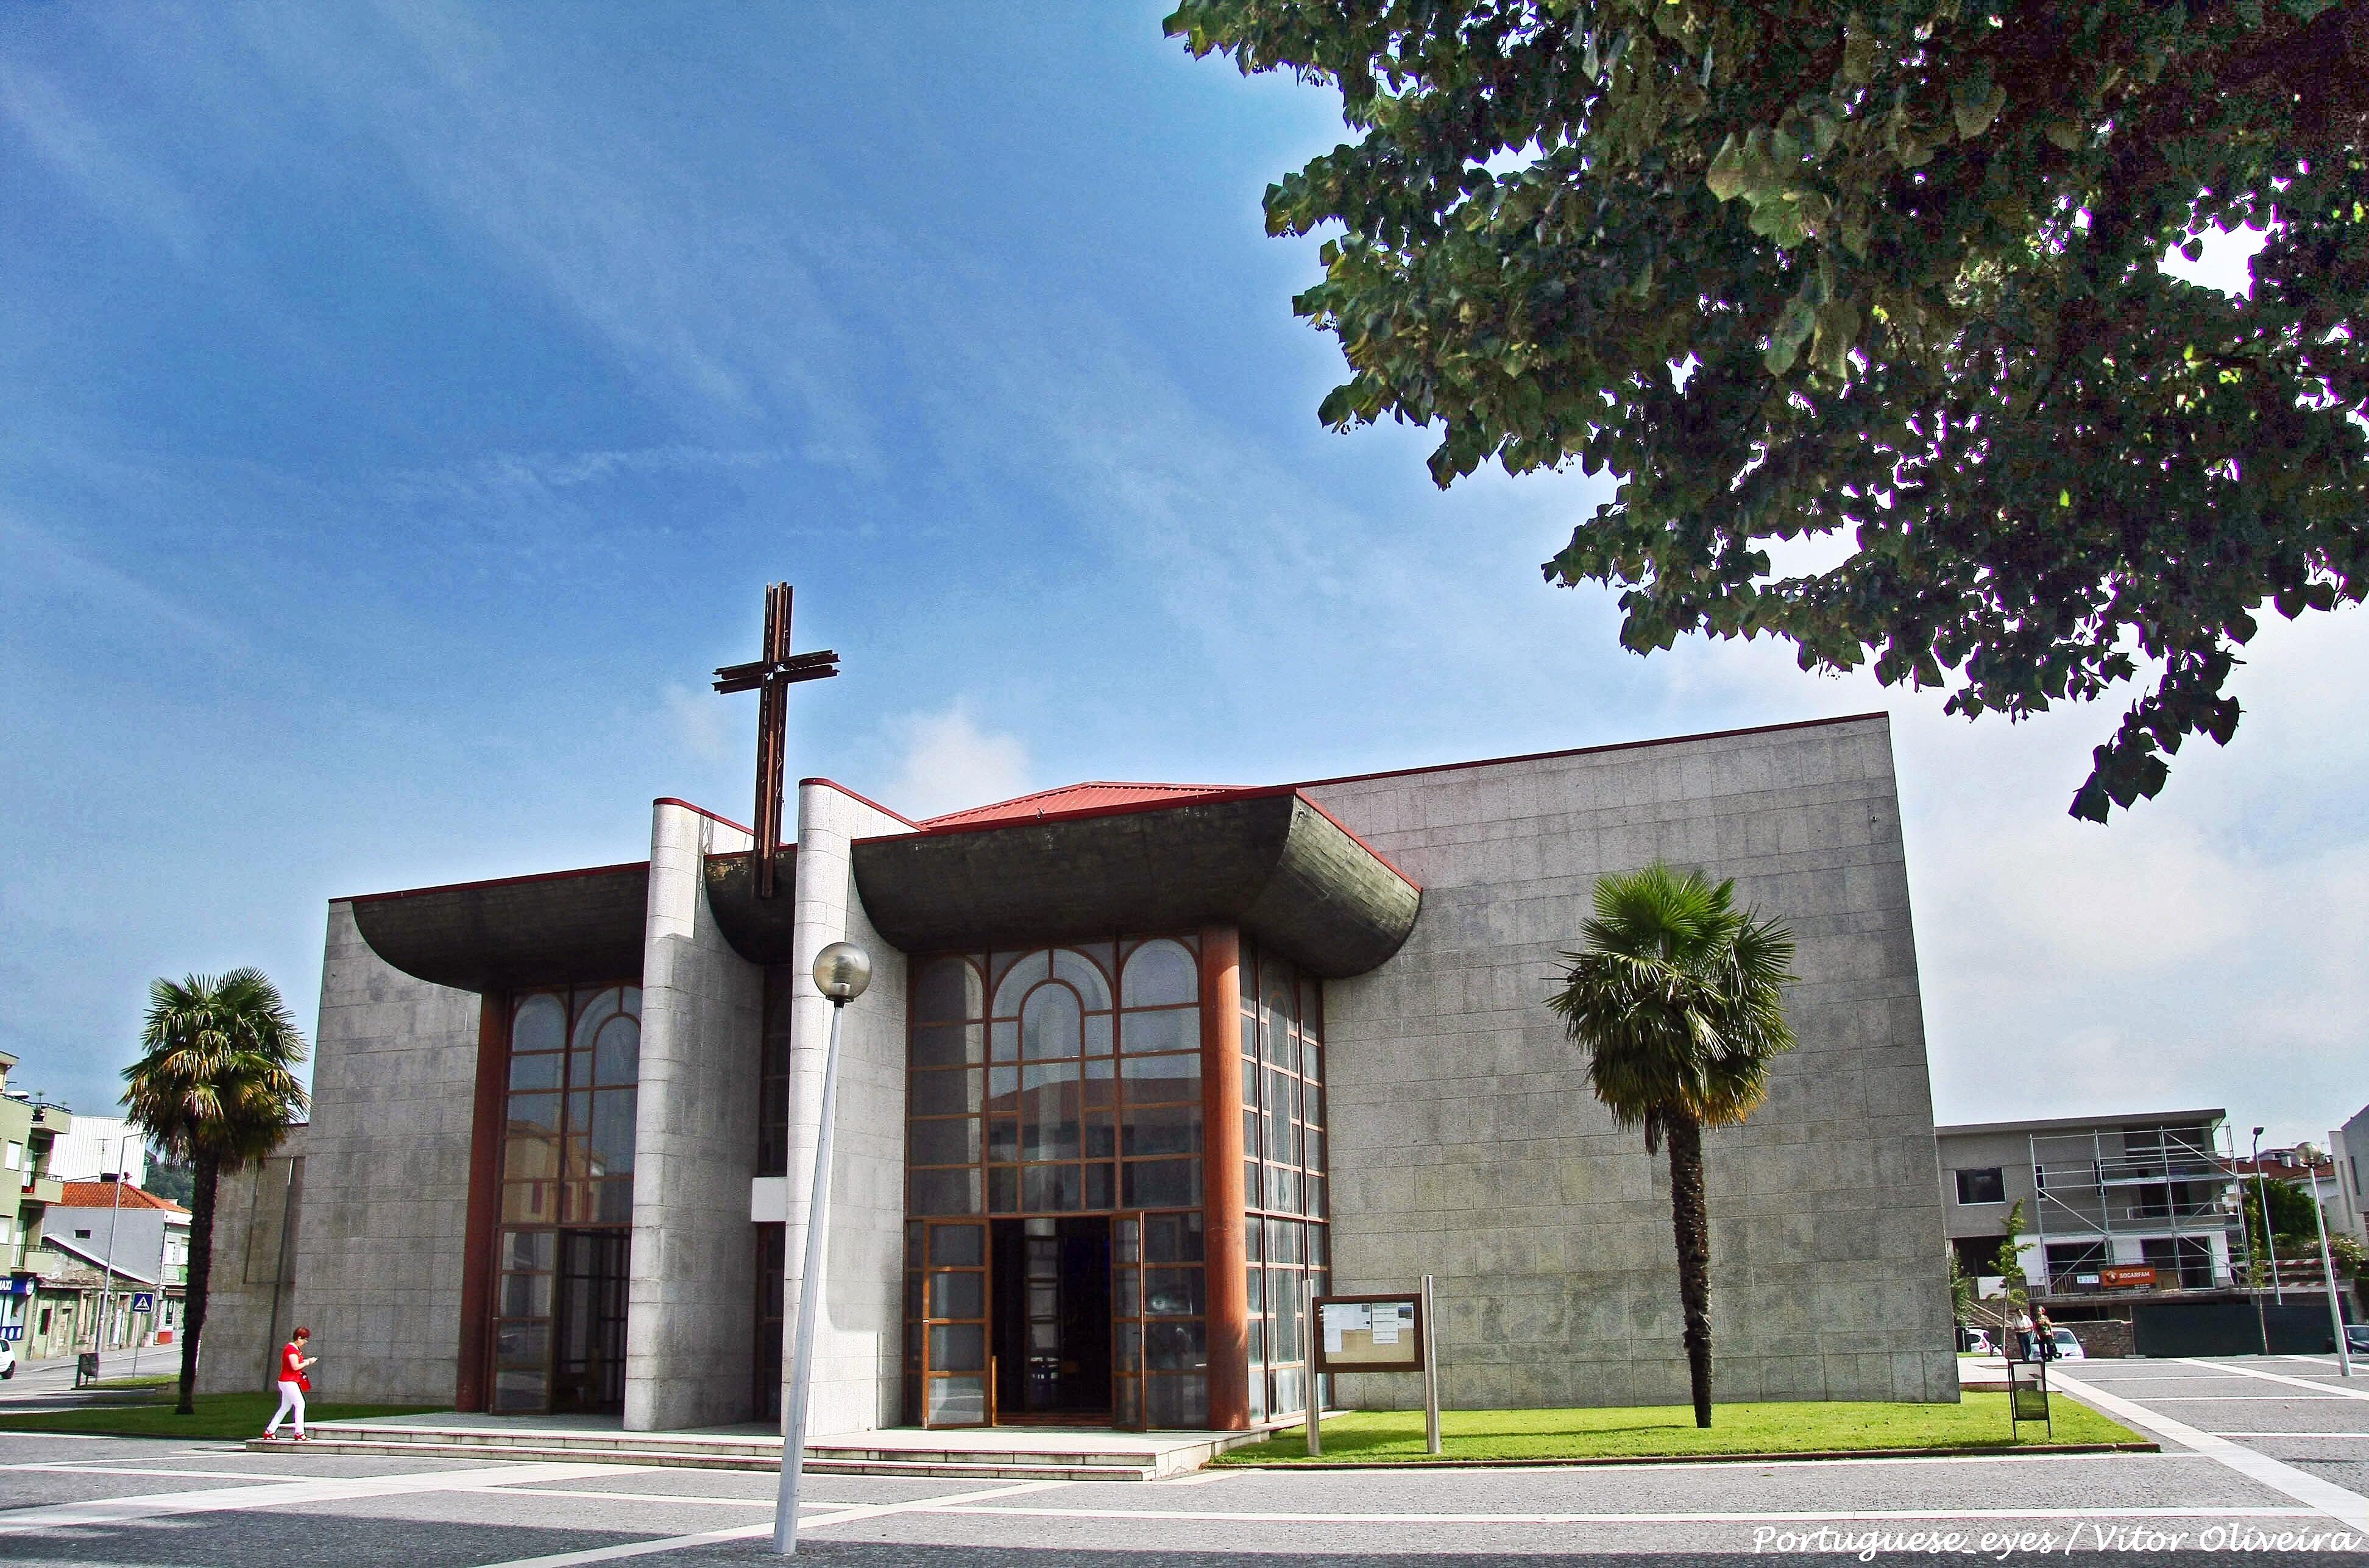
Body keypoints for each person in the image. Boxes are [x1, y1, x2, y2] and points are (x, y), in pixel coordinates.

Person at [263, 1327, 316, 1442]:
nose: (305, 1342)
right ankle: (300, 1433)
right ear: (299, 1338)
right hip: (289, 1381)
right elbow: (295, 1366)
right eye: (304, 1340)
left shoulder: (294, 1349)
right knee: (300, 1404)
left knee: (285, 1407)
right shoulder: (291, 1349)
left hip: (288, 1381)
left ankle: (270, 1431)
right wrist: (308, 1362)